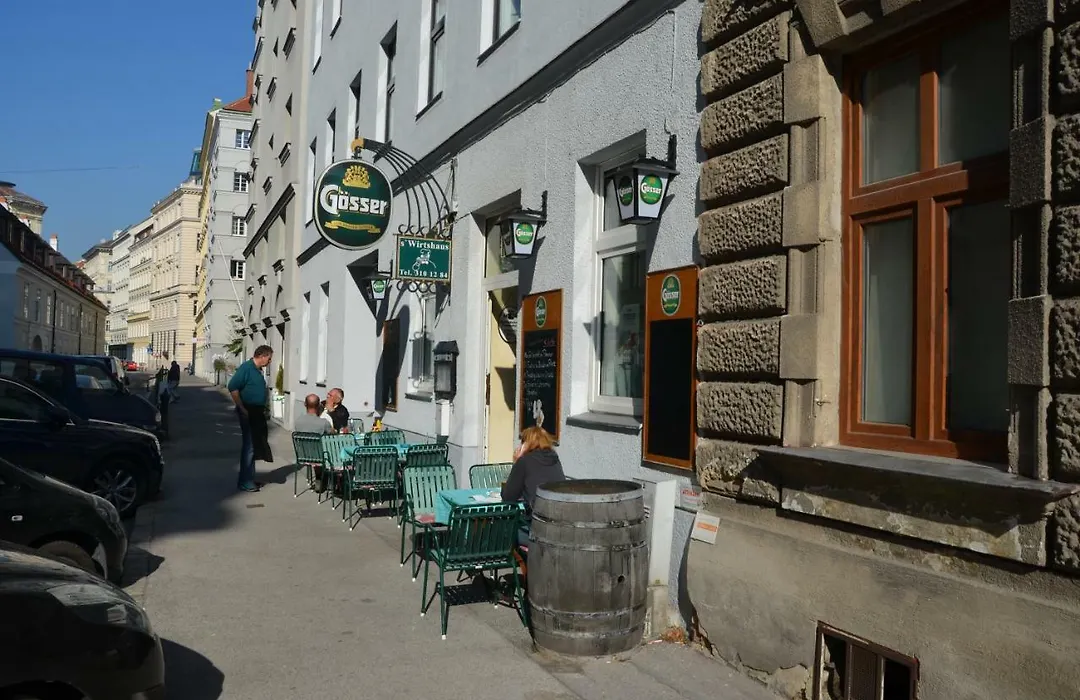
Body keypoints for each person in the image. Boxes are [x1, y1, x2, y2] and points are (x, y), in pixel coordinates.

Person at [501, 426, 566, 546]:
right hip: (559, 524)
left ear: (526, 444)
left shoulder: (524, 461)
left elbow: (508, 497)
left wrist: (517, 461)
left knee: (502, 530)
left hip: (537, 529)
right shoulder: (554, 459)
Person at [227, 345, 274, 492]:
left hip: (256, 412)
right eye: (269, 358)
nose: (270, 361)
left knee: (253, 446)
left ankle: (249, 478)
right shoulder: (246, 368)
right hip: (249, 411)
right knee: (249, 447)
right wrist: (241, 408)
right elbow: (232, 387)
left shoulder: (257, 370)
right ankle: (245, 481)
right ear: (262, 356)